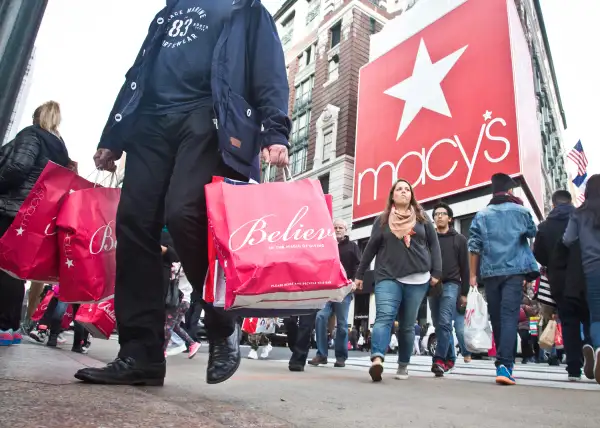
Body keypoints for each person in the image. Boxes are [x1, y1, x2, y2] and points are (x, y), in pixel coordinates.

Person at [75, 1, 290, 386]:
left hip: (210, 117)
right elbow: (138, 73)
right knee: (133, 224)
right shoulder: (171, 9)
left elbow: (269, 71)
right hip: (151, 122)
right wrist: (113, 135)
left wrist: (275, 131)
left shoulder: (246, 8)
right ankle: (140, 355)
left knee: (184, 212)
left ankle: (221, 319)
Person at [0, 101, 76, 346]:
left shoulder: (31, 135)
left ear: (36, 117)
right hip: (34, 215)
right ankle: (10, 327)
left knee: (3, 267)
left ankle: (3, 325)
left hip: (11, 207)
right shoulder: (60, 148)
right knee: (14, 271)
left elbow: (18, 166)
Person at [355, 179, 442, 382]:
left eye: (407, 189)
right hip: (387, 275)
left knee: (407, 325)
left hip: (418, 278)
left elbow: (434, 245)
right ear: (392, 196)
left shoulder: (422, 218)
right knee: (384, 316)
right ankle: (377, 358)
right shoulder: (382, 220)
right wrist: (359, 274)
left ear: (411, 195)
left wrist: (436, 272)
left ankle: (403, 365)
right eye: (399, 189)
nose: (403, 192)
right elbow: (370, 248)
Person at [468, 173, 539, 386]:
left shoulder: (482, 215)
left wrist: (473, 275)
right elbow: (532, 231)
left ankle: (502, 362)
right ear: (509, 191)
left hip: (490, 273)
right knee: (509, 317)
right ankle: (505, 365)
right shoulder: (521, 211)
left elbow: (473, 246)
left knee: (497, 318)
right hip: (514, 271)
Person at [533, 190, 590, 380]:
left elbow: (538, 254)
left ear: (554, 204)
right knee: (590, 318)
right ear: (571, 201)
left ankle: (574, 368)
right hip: (584, 276)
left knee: (568, 322)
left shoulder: (544, 227)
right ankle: (593, 351)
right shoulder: (583, 218)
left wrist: (551, 262)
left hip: (558, 280)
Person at [563, 174, 600, 384]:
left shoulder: (579, 213)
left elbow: (568, 239)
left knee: (596, 316)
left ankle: (598, 347)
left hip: (592, 267)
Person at [310, 219, 361, 368]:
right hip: (327, 289)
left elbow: (359, 265)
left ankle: (341, 357)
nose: (338, 230)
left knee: (343, 324)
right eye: (335, 227)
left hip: (344, 290)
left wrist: (354, 282)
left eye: (340, 228)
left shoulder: (353, 247)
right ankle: (321, 354)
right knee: (320, 317)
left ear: (346, 230)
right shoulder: (326, 245)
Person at [429, 202, 469, 376]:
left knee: (445, 322)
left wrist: (464, 293)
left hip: (452, 284)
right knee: (439, 325)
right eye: (436, 214)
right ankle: (451, 358)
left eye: (443, 213)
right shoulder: (430, 239)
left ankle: (439, 359)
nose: (439, 216)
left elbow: (465, 268)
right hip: (432, 286)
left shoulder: (459, 239)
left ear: (450, 218)